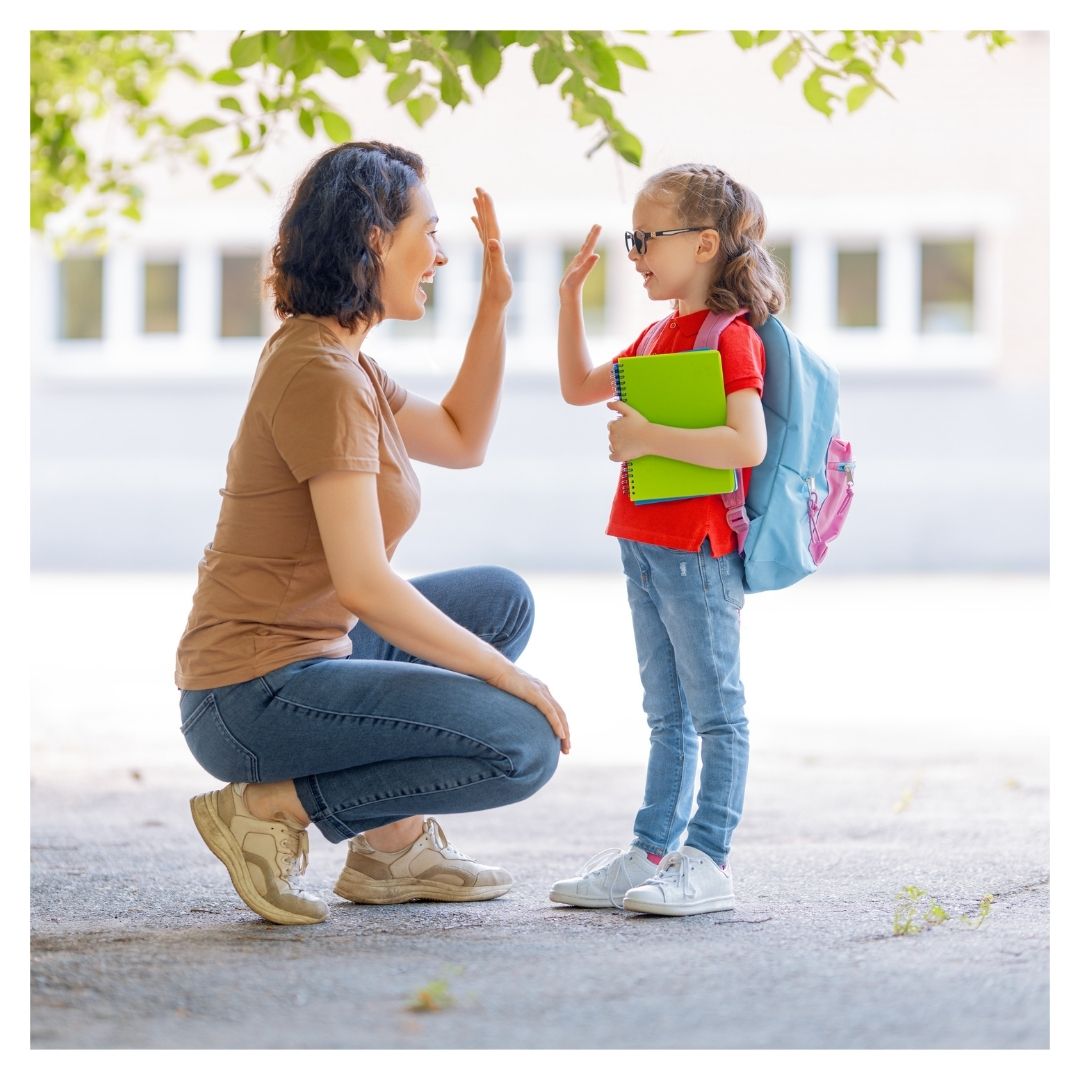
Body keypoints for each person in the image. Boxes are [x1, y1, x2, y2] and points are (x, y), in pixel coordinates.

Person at [175, 141, 569, 927]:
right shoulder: (322, 375)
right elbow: (363, 582)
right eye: (428, 230)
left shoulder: (341, 360)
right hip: (250, 697)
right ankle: (272, 807)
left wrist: (495, 309)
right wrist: (509, 679)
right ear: (375, 238)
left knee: (500, 600)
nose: (441, 254)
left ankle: (390, 852)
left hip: (315, 660)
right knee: (520, 745)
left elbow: (461, 437)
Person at [549, 163, 784, 916]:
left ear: (706, 243)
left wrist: (650, 434)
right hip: (644, 542)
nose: (636, 252)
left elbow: (744, 445)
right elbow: (578, 386)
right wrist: (567, 301)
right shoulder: (656, 333)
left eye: (648, 237)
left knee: (716, 710)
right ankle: (652, 850)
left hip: (698, 548)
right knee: (665, 712)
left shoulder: (730, 338)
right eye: (633, 238)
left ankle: (707, 859)